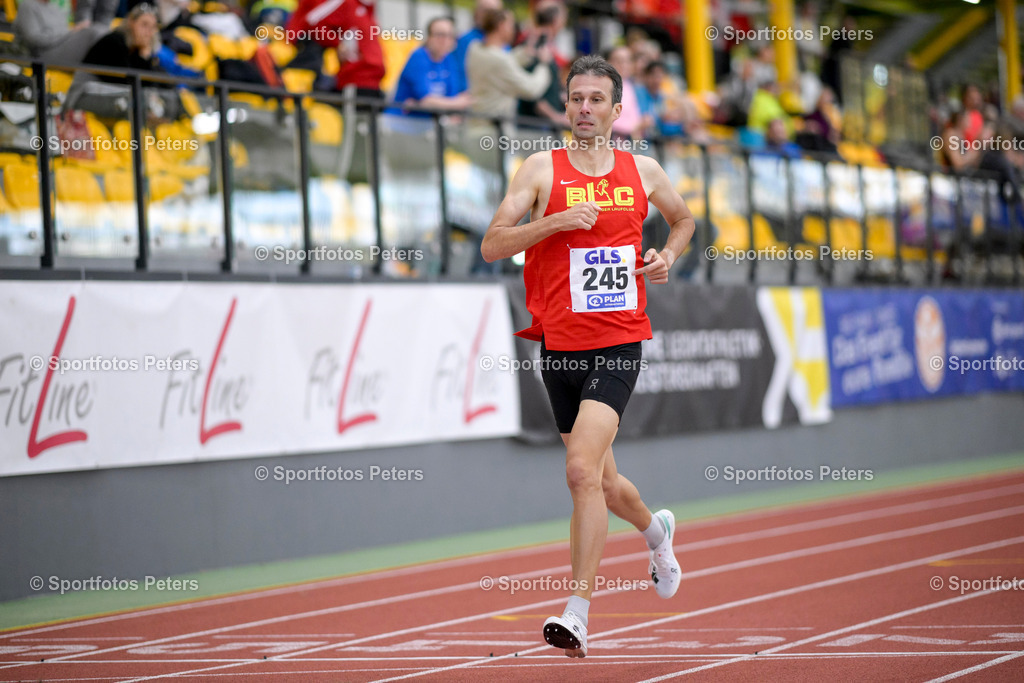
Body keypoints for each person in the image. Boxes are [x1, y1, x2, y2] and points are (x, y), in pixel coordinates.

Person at [480, 54, 693, 658]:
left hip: (620, 338)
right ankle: (657, 531)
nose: (584, 109)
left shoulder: (642, 169)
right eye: (576, 98)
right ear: (566, 105)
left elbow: (683, 220)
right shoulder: (540, 169)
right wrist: (554, 223)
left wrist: (667, 256)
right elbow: (494, 244)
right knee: (602, 478)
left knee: (577, 471)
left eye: (597, 99)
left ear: (617, 110)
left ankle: (577, 612)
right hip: (560, 344)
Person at [390, 16, 471, 116]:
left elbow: (452, 96)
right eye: (440, 35)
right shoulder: (419, 57)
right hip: (403, 121)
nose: (445, 40)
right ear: (429, 37)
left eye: (450, 35)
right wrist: (456, 103)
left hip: (430, 124)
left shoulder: (448, 60)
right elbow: (427, 101)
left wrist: (450, 103)